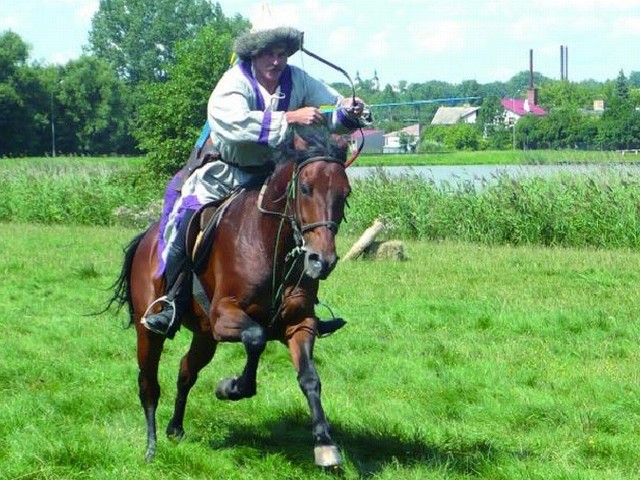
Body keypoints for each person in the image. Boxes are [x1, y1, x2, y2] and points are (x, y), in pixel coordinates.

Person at [142, 24, 366, 338]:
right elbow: (233, 124)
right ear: (254, 56)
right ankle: (170, 300)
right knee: (184, 218)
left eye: (283, 55)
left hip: (272, 174)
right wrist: (289, 117)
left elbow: (331, 106)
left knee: (302, 222)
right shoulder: (233, 83)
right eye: (270, 55)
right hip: (225, 173)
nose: (277, 62)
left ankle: (303, 306)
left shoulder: (296, 79)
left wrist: (351, 110)